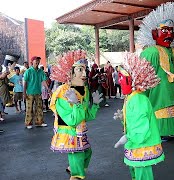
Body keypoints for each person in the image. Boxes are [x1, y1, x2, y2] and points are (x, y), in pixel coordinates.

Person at [137, 2, 174, 140]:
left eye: (171, 31)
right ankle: (157, 131)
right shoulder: (151, 52)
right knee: (158, 107)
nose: (169, 34)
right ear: (155, 34)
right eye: (165, 30)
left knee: (173, 107)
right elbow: (143, 76)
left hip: (172, 89)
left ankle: (172, 129)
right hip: (157, 92)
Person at [49, 50, 103, 180]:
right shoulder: (63, 93)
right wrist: (77, 104)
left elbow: (87, 116)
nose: (85, 74)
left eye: (85, 69)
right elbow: (72, 121)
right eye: (80, 70)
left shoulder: (83, 89)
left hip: (79, 132)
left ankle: (73, 168)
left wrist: (95, 105)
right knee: (79, 156)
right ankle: (76, 175)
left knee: (88, 152)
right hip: (70, 133)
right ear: (70, 73)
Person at [114, 52, 164, 180]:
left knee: (142, 173)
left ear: (133, 79)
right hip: (137, 142)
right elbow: (134, 120)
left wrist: (127, 136)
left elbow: (141, 127)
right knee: (137, 171)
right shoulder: (132, 97)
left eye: (122, 77)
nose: (119, 80)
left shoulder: (137, 99)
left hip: (141, 143)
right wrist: (123, 119)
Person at [23, 56, 49, 129]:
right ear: (32, 62)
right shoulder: (28, 71)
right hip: (30, 93)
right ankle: (28, 123)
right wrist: (24, 93)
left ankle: (39, 122)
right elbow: (25, 82)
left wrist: (48, 89)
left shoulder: (41, 71)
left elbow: (43, 81)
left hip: (38, 92)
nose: (37, 62)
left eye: (38, 61)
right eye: (36, 60)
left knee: (39, 108)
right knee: (29, 108)